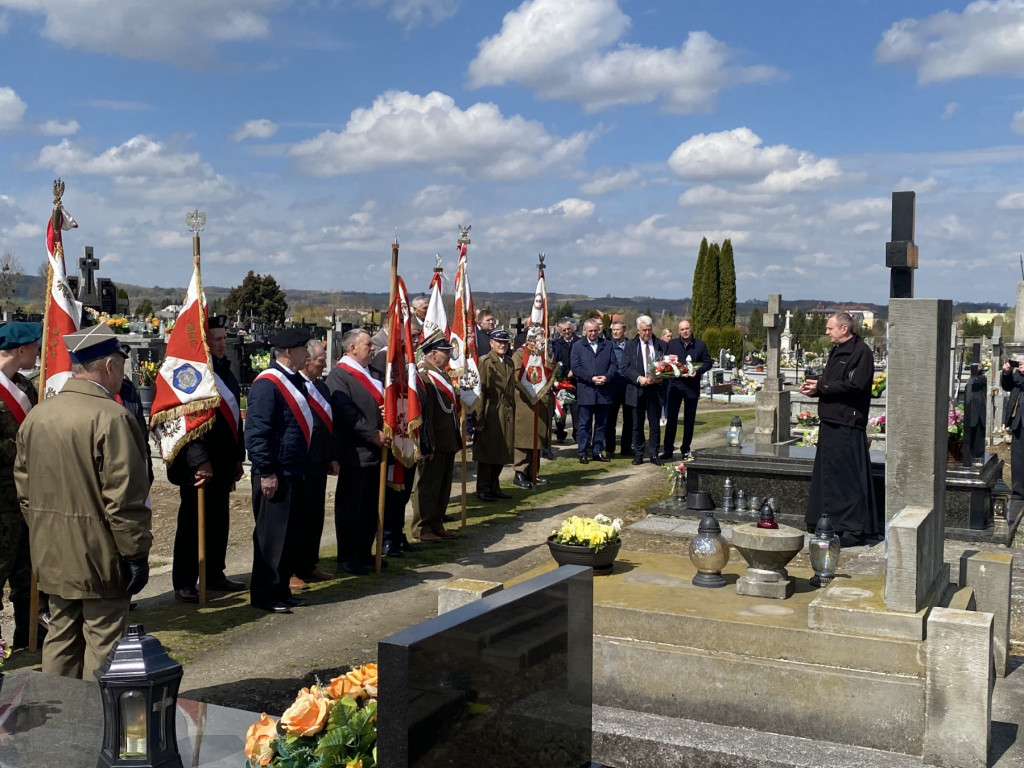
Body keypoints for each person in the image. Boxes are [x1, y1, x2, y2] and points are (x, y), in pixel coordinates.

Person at [14, 323, 151, 678]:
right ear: (109, 366)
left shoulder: (38, 415)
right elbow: (124, 498)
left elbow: (24, 490)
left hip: (50, 551)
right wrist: (134, 552)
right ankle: (97, 725)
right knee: (104, 641)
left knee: (60, 636)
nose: (122, 374)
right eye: (120, 365)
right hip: (100, 554)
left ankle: (60, 722)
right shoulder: (113, 417)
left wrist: (46, 533)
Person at [168, 314, 246, 603]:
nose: (223, 343)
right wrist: (200, 460)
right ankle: (185, 581)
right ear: (203, 341)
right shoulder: (192, 373)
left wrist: (239, 456)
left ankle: (214, 573)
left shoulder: (225, 371)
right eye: (217, 338)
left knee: (219, 520)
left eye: (225, 338)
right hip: (198, 465)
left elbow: (235, 417)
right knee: (192, 521)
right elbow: (189, 421)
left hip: (224, 461)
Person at [245, 327, 313, 614]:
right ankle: (265, 593)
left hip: (294, 470)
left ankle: (282, 589)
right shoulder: (268, 384)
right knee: (271, 538)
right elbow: (257, 433)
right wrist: (267, 471)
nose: (308, 354)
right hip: (276, 472)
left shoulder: (294, 381)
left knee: (291, 536)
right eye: (302, 348)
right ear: (287, 352)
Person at [800, 312, 879, 547]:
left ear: (844, 329)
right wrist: (817, 389)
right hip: (831, 422)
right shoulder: (836, 351)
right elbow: (834, 383)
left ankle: (852, 528)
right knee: (830, 476)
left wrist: (822, 386)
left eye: (830, 328)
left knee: (847, 479)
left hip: (848, 423)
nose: (827, 332)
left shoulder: (861, 352)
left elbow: (856, 385)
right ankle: (828, 522)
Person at [327, 328, 391, 574]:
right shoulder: (339, 376)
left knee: (370, 507)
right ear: (352, 348)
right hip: (355, 453)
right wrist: (372, 434)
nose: (373, 347)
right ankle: (347, 555)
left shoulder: (374, 372)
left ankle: (364, 551)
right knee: (351, 508)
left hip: (377, 452)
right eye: (368, 344)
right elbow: (346, 413)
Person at [0, 323, 41, 649]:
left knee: (26, 571)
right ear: (21, 350)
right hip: (0, 501)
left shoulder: (26, 387)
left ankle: (29, 635)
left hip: (24, 498)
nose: (39, 352)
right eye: (35, 346)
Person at [294, 339, 339, 587]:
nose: (324, 364)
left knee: (314, 517)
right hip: (301, 463)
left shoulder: (321, 387)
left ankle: (308, 564)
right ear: (307, 360)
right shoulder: (294, 386)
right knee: (297, 517)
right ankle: (291, 569)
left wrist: (331, 456)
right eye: (321, 360)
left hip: (320, 462)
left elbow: (328, 426)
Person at [412, 338, 462, 540]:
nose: (449, 356)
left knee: (443, 485)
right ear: (433, 354)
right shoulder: (425, 376)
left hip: (447, 438)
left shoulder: (442, 375)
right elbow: (428, 414)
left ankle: (436, 522)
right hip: (435, 439)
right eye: (445, 352)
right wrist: (428, 443)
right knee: (428, 485)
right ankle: (422, 527)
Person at [662, 319, 713, 461]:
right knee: (671, 419)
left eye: (687, 328)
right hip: (675, 386)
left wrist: (698, 370)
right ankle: (668, 449)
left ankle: (686, 449)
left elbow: (708, 362)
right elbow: (665, 361)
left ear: (691, 329)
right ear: (678, 331)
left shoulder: (700, 345)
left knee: (689, 420)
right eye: (682, 329)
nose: (685, 331)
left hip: (692, 387)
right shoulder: (671, 345)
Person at [474, 329, 516, 501]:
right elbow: (480, 392)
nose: (502, 345)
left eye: (505, 342)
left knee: (502, 451)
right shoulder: (485, 362)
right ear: (491, 343)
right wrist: (478, 418)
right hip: (490, 410)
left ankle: (494, 485)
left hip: (506, 411)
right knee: (487, 452)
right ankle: (483, 488)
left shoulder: (509, 363)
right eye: (499, 341)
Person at [620, 315, 667, 465]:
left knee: (654, 424)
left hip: (654, 390)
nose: (647, 333)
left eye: (649, 330)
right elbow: (625, 368)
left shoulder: (660, 345)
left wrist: (662, 377)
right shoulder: (631, 345)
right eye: (644, 330)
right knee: (637, 424)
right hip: (637, 389)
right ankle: (639, 454)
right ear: (638, 330)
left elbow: (668, 366)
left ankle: (654, 454)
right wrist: (639, 378)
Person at [570, 317, 616, 463]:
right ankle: (582, 452)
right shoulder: (578, 346)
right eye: (590, 331)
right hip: (586, 390)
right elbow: (576, 368)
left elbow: (614, 364)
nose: (593, 334)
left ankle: (597, 451)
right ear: (585, 331)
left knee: (601, 424)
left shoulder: (607, 345)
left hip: (604, 391)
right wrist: (591, 378)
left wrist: (607, 377)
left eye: (595, 331)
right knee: (585, 424)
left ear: (599, 330)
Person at [511, 327, 553, 487]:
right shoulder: (519, 354)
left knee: (537, 438)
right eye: (538, 338)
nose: (541, 341)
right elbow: (516, 376)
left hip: (541, 403)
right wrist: (531, 392)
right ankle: (520, 472)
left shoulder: (543, 356)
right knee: (524, 439)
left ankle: (534, 472)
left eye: (542, 338)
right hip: (525, 402)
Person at [605, 320, 633, 457]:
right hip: (613, 386)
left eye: (618, 329)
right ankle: (610, 449)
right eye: (613, 330)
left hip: (628, 386)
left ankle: (626, 448)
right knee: (611, 419)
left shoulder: (632, 345)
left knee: (629, 419)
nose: (615, 332)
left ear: (624, 331)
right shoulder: (608, 345)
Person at [551, 318, 580, 443]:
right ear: (559, 330)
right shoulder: (555, 344)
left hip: (577, 382)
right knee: (561, 411)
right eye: (564, 330)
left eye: (569, 329)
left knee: (577, 411)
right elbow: (554, 362)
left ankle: (578, 435)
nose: (567, 332)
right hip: (562, 383)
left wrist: (575, 371)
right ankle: (560, 433)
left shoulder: (580, 342)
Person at [1000, 359, 1024, 504]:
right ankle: (1018, 493)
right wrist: (1007, 373)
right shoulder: (1019, 375)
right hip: (1019, 421)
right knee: (1018, 458)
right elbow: (1008, 386)